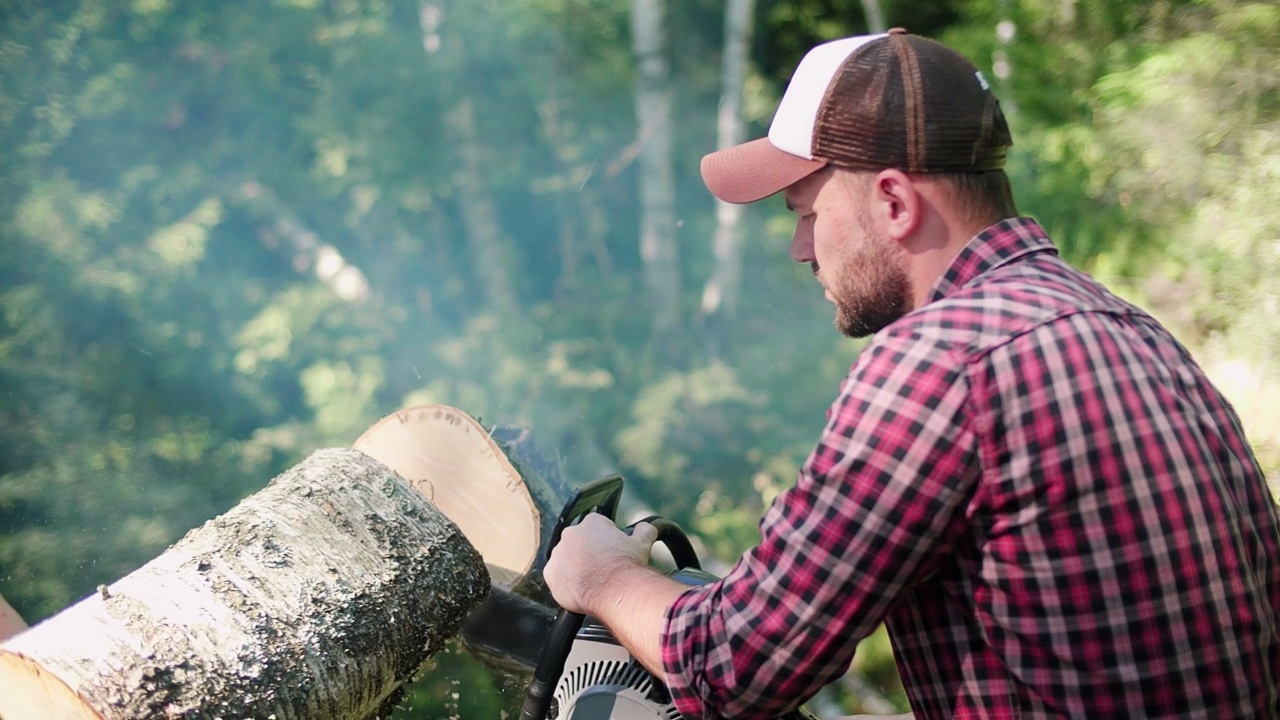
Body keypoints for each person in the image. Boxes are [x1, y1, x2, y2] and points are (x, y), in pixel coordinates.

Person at [543, 28, 1280, 720]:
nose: (802, 249)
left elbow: (734, 666)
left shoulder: (941, 361)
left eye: (806, 213)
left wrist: (603, 577)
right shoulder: (1131, 329)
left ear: (893, 202)